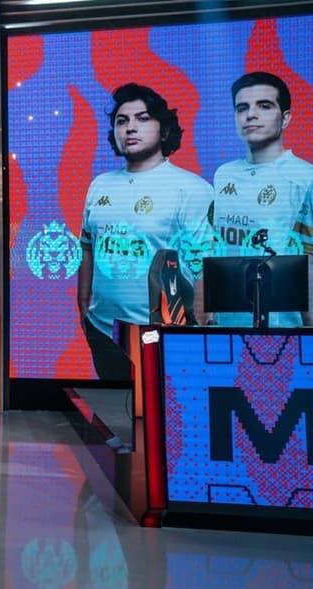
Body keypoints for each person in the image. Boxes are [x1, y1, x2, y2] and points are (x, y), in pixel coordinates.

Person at [76, 83, 214, 379]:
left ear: (164, 131)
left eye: (143, 118)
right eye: (121, 121)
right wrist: (84, 310)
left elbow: (205, 266)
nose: (130, 127)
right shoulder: (99, 184)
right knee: (114, 404)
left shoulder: (191, 188)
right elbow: (87, 247)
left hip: (162, 335)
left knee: (161, 406)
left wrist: (198, 332)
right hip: (103, 330)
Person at [211, 71, 313, 326]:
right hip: (226, 323)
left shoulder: (305, 177)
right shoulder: (224, 174)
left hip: (283, 325)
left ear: (285, 118)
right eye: (242, 108)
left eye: (264, 106)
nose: (251, 114)